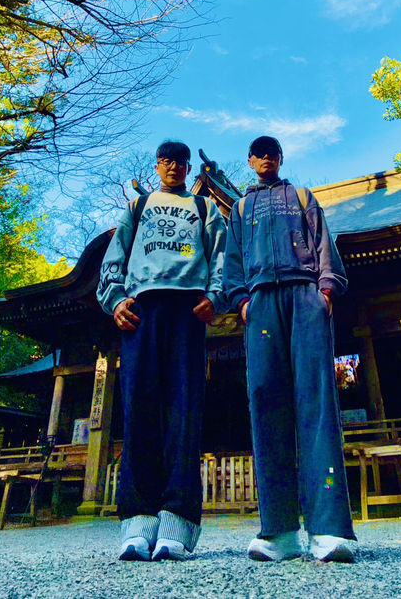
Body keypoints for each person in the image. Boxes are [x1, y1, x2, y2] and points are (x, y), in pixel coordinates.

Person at [222, 135, 356, 563]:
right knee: (264, 400)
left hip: (304, 294)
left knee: (317, 402)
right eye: (259, 153)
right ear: (250, 161)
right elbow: (232, 260)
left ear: (280, 158)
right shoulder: (240, 208)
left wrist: (326, 291)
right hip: (261, 301)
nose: (266, 159)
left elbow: (323, 243)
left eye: (272, 153)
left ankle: (328, 530)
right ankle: (278, 531)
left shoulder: (301, 195)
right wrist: (241, 300)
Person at [97, 140, 226, 562]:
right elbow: (113, 258)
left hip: (188, 307)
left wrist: (217, 295)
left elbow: (223, 256)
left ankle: (177, 521)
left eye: (181, 162)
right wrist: (115, 299)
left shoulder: (204, 208)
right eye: (167, 161)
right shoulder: (138, 207)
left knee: (184, 411)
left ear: (190, 168)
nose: (174, 167)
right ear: (157, 166)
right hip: (142, 307)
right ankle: (137, 522)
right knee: (139, 410)